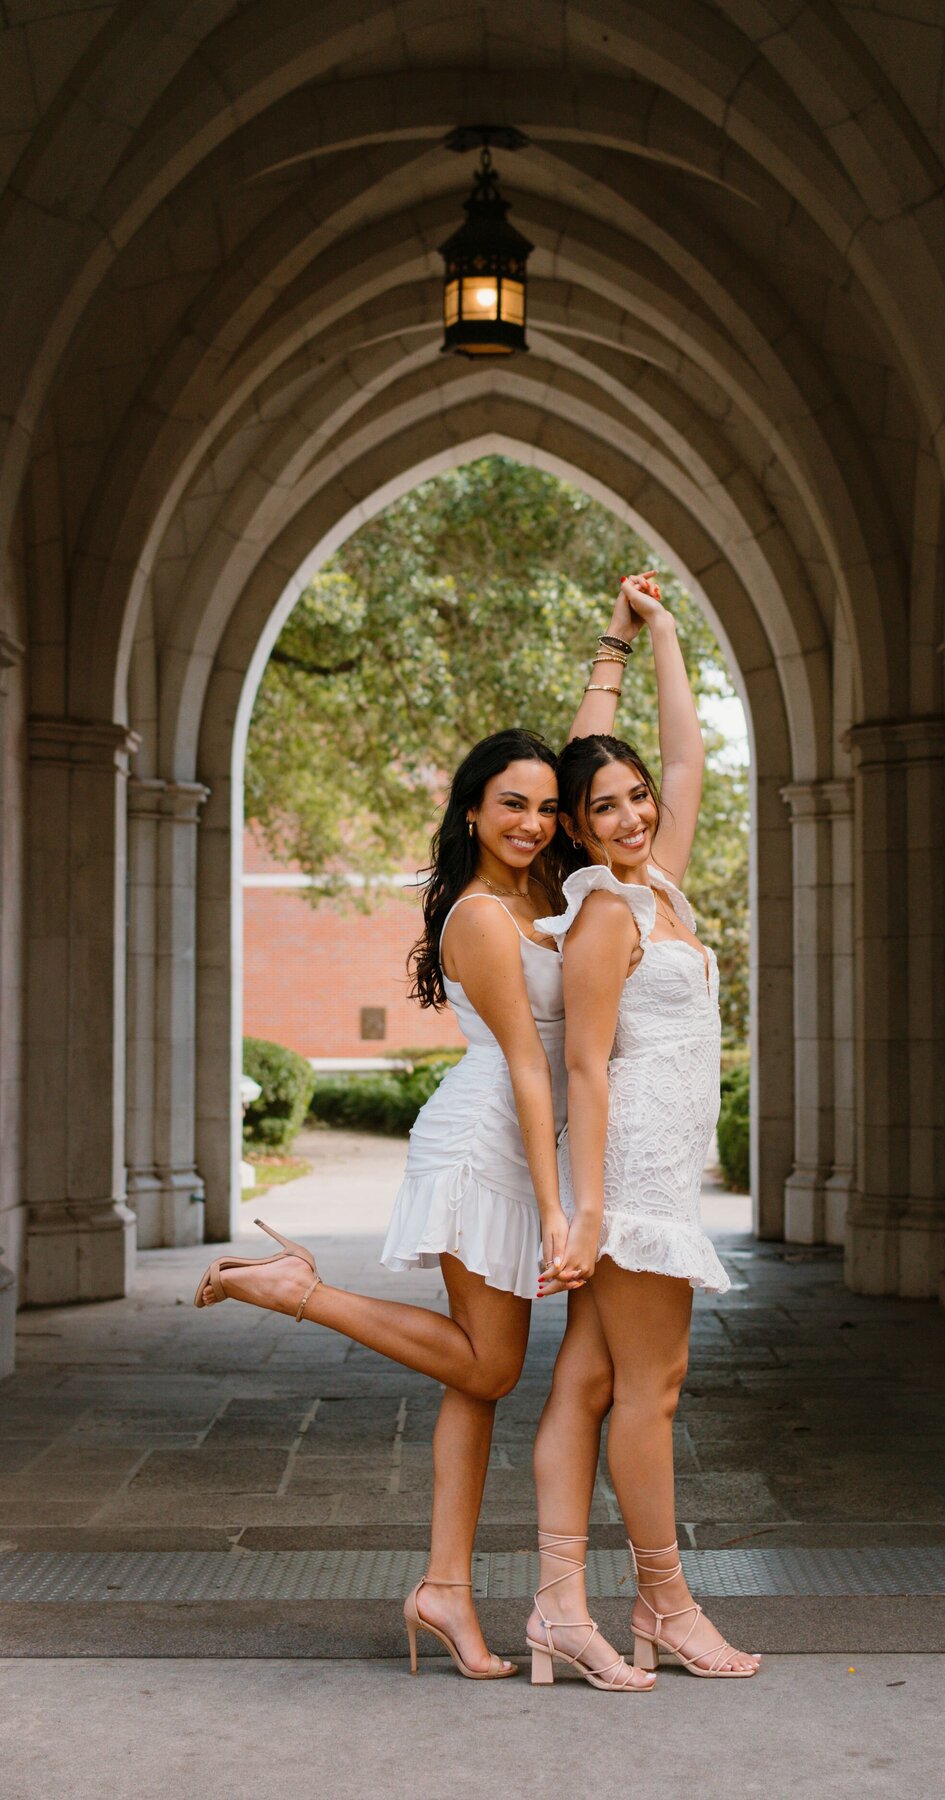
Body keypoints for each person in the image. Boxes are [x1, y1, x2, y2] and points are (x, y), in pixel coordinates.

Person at [194, 585, 653, 1682]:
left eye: (547, 806)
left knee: (472, 1374)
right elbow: (535, 1065)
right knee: (493, 1368)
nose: (538, 820)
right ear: (468, 812)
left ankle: (446, 1589)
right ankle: (297, 1288)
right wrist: (557, 1208)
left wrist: (616, 647)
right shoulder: (485, 915)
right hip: (489, 1141)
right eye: (513, 804)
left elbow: (588, 754)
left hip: (510, 1137)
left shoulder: (542, 882)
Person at [526, 576, 760, 1684]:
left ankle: (556, 1605)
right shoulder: (603, 909)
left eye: (633, 799)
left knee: (586, 1382)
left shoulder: (657, 882)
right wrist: (588, 1210)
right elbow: (583, 1063)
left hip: (661, 1171)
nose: (633, 812)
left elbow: (686, 762)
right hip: (629, 1182)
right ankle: (665, 1602)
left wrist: (650, 633)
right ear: (576, 830)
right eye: (605, 807)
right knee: (651, 1391)